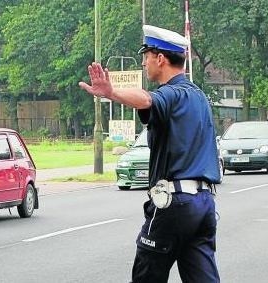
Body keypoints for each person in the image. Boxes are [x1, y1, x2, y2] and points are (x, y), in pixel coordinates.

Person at [79, 25, 221, 283]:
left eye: (146, 55)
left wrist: (112, 93)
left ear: (160, 58)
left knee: (147, 274)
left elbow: (147, 100)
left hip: (175, 203)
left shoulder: (172, 94)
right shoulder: (199, 97)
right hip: (204, 203)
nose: (144, 62)